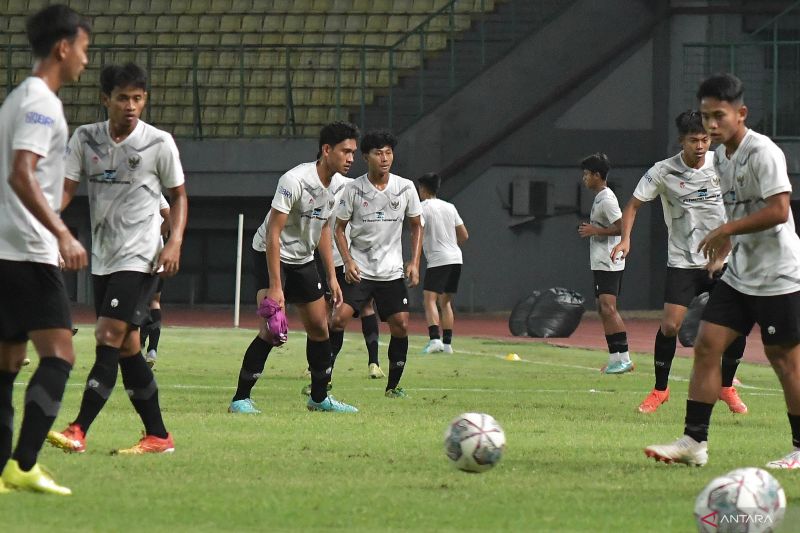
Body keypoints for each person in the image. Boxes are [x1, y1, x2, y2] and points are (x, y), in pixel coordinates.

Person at [644, 73, 800, 468]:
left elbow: (779, 210)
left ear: (740, 113)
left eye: (718, 116)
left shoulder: (762, 152)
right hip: (739, 273)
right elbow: (739, 213)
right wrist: (723, 249)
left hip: (779, 275)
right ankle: (694, 442)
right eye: (705, 117)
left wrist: (727, 229)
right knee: (707, 345)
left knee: (785, 361)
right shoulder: (721, 160)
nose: (710, 126)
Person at [47, 62, 188, 455]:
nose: (131, 105)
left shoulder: (158, 143)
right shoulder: (85, 139)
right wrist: (52, 229)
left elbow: (178, 196)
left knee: (107, 335)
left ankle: (78, 429)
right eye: (123, 97)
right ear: (105, 98)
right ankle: (158, 435)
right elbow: (66, 189)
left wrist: (174, 241)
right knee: (126, 347)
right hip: (104, 257)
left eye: (138, 98)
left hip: (141, 257)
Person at [0, 4, 90, 495]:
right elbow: (21, 171)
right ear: (63, 46)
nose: (84, 59)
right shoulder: (41, 101)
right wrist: (61, 233)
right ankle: (24, 463)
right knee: (60, 355)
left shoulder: (17, 98)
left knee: (8, 363)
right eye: (83, 48)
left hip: (3, 249)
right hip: (29, 252)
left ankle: (2, 472)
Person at [612, 110, 747, 414]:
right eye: (693, 140)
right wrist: (626, 239)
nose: (700, 146)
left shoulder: (724, 163)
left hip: (723, 260)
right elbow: (633, 205)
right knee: (671, 326)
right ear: (681, 141)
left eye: (705, 139)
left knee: (737, 325)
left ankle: (726, 387)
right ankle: (660, 391)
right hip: (683, 261)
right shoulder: (662, 171)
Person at [228, 121, 360, 415]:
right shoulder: (294, 180)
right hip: (269, 251)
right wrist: (276, 287)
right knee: (272, 330)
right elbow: (273, 233)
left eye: (354, 152)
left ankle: (318, 398)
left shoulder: (339, 187)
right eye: (345, 151)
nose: (351, 158)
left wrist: (331, 277)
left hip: (303, 258)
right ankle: (240, 399)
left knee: (319, 327)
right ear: (327, 150)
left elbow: (324, 229)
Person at [329, 130, 423, 399]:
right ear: (366, 157)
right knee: (337, 320)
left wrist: (414, 262)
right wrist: (347, 262)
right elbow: (339, 228)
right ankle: (324, 378)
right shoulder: (353, 189)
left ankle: (393, 387)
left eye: (388, 153)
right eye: (378, 153)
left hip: (391, 273)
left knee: (401, 325)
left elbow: (417, 226)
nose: (384, 158)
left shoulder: (405, 187)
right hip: (360, 271)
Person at [577, 153, 633, 374]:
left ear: (597, 175)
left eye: (587, 174)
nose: (584, 179)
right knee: (602, 309)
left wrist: (595, 231)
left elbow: (622, 227)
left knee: (609, 308)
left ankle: (624, 359)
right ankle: (614, 358)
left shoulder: (607, 199)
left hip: (610, 261)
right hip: (601, 260)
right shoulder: (600, 197)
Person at [417, 172, 468, 354]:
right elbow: (464, 235)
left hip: (439, 260)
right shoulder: (450, 207)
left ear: (423, 189)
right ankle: (447, 345)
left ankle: (434, 340)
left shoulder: (421, 208)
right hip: (456, 258)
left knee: (429, 299)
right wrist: (450, 246)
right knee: (445, 302)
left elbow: (418, 233)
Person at [140, 194, 171, 368]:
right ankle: (152, 349)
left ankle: (139, 343)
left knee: (138, 302)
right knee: (154, 302)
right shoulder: (155, 192)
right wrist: (159, 233)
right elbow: (170, 216)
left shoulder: (128, 190)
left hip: (136, 256)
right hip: (157, 256)